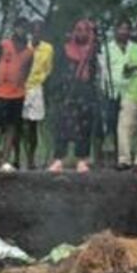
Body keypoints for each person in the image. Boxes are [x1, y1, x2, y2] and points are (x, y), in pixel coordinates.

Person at [47, 19, 102, 173]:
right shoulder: (64, 50)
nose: (82, 33)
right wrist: (57, 90)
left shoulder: (93, 52)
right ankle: (59, 159)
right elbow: (57, 71)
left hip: (86, 93)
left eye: (85, 30)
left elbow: (96, 73)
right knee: (63, 126)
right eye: (79, 30)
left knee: (85, 126)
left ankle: (82, 160)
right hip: (67, 92)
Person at [0, 17, 34, 171]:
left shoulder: (29, 52)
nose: (22, 30)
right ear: (15, 28)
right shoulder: (3, 45)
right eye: (20, 27)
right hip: (0, 92)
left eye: (25, 28)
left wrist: (20, 84)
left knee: (12, 127)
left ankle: (5, 161)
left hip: (18, 93)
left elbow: (27, 71)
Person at [102, 20, 137, 168]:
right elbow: (125, 68)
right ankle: (124, 159)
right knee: (124, 127)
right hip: (127, 92)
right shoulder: (132, 48)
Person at [19, 20, 54, 170]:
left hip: (36, 88)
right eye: (34, 31)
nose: (36, 34)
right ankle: (17, 157)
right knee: (20, 124)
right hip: (21, 87)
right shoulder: (23, 46)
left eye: (39, 31)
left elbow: (48, 69)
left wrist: (42, 83)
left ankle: (31, 159)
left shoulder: (48, 49)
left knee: (33, 125)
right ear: (30, 32)